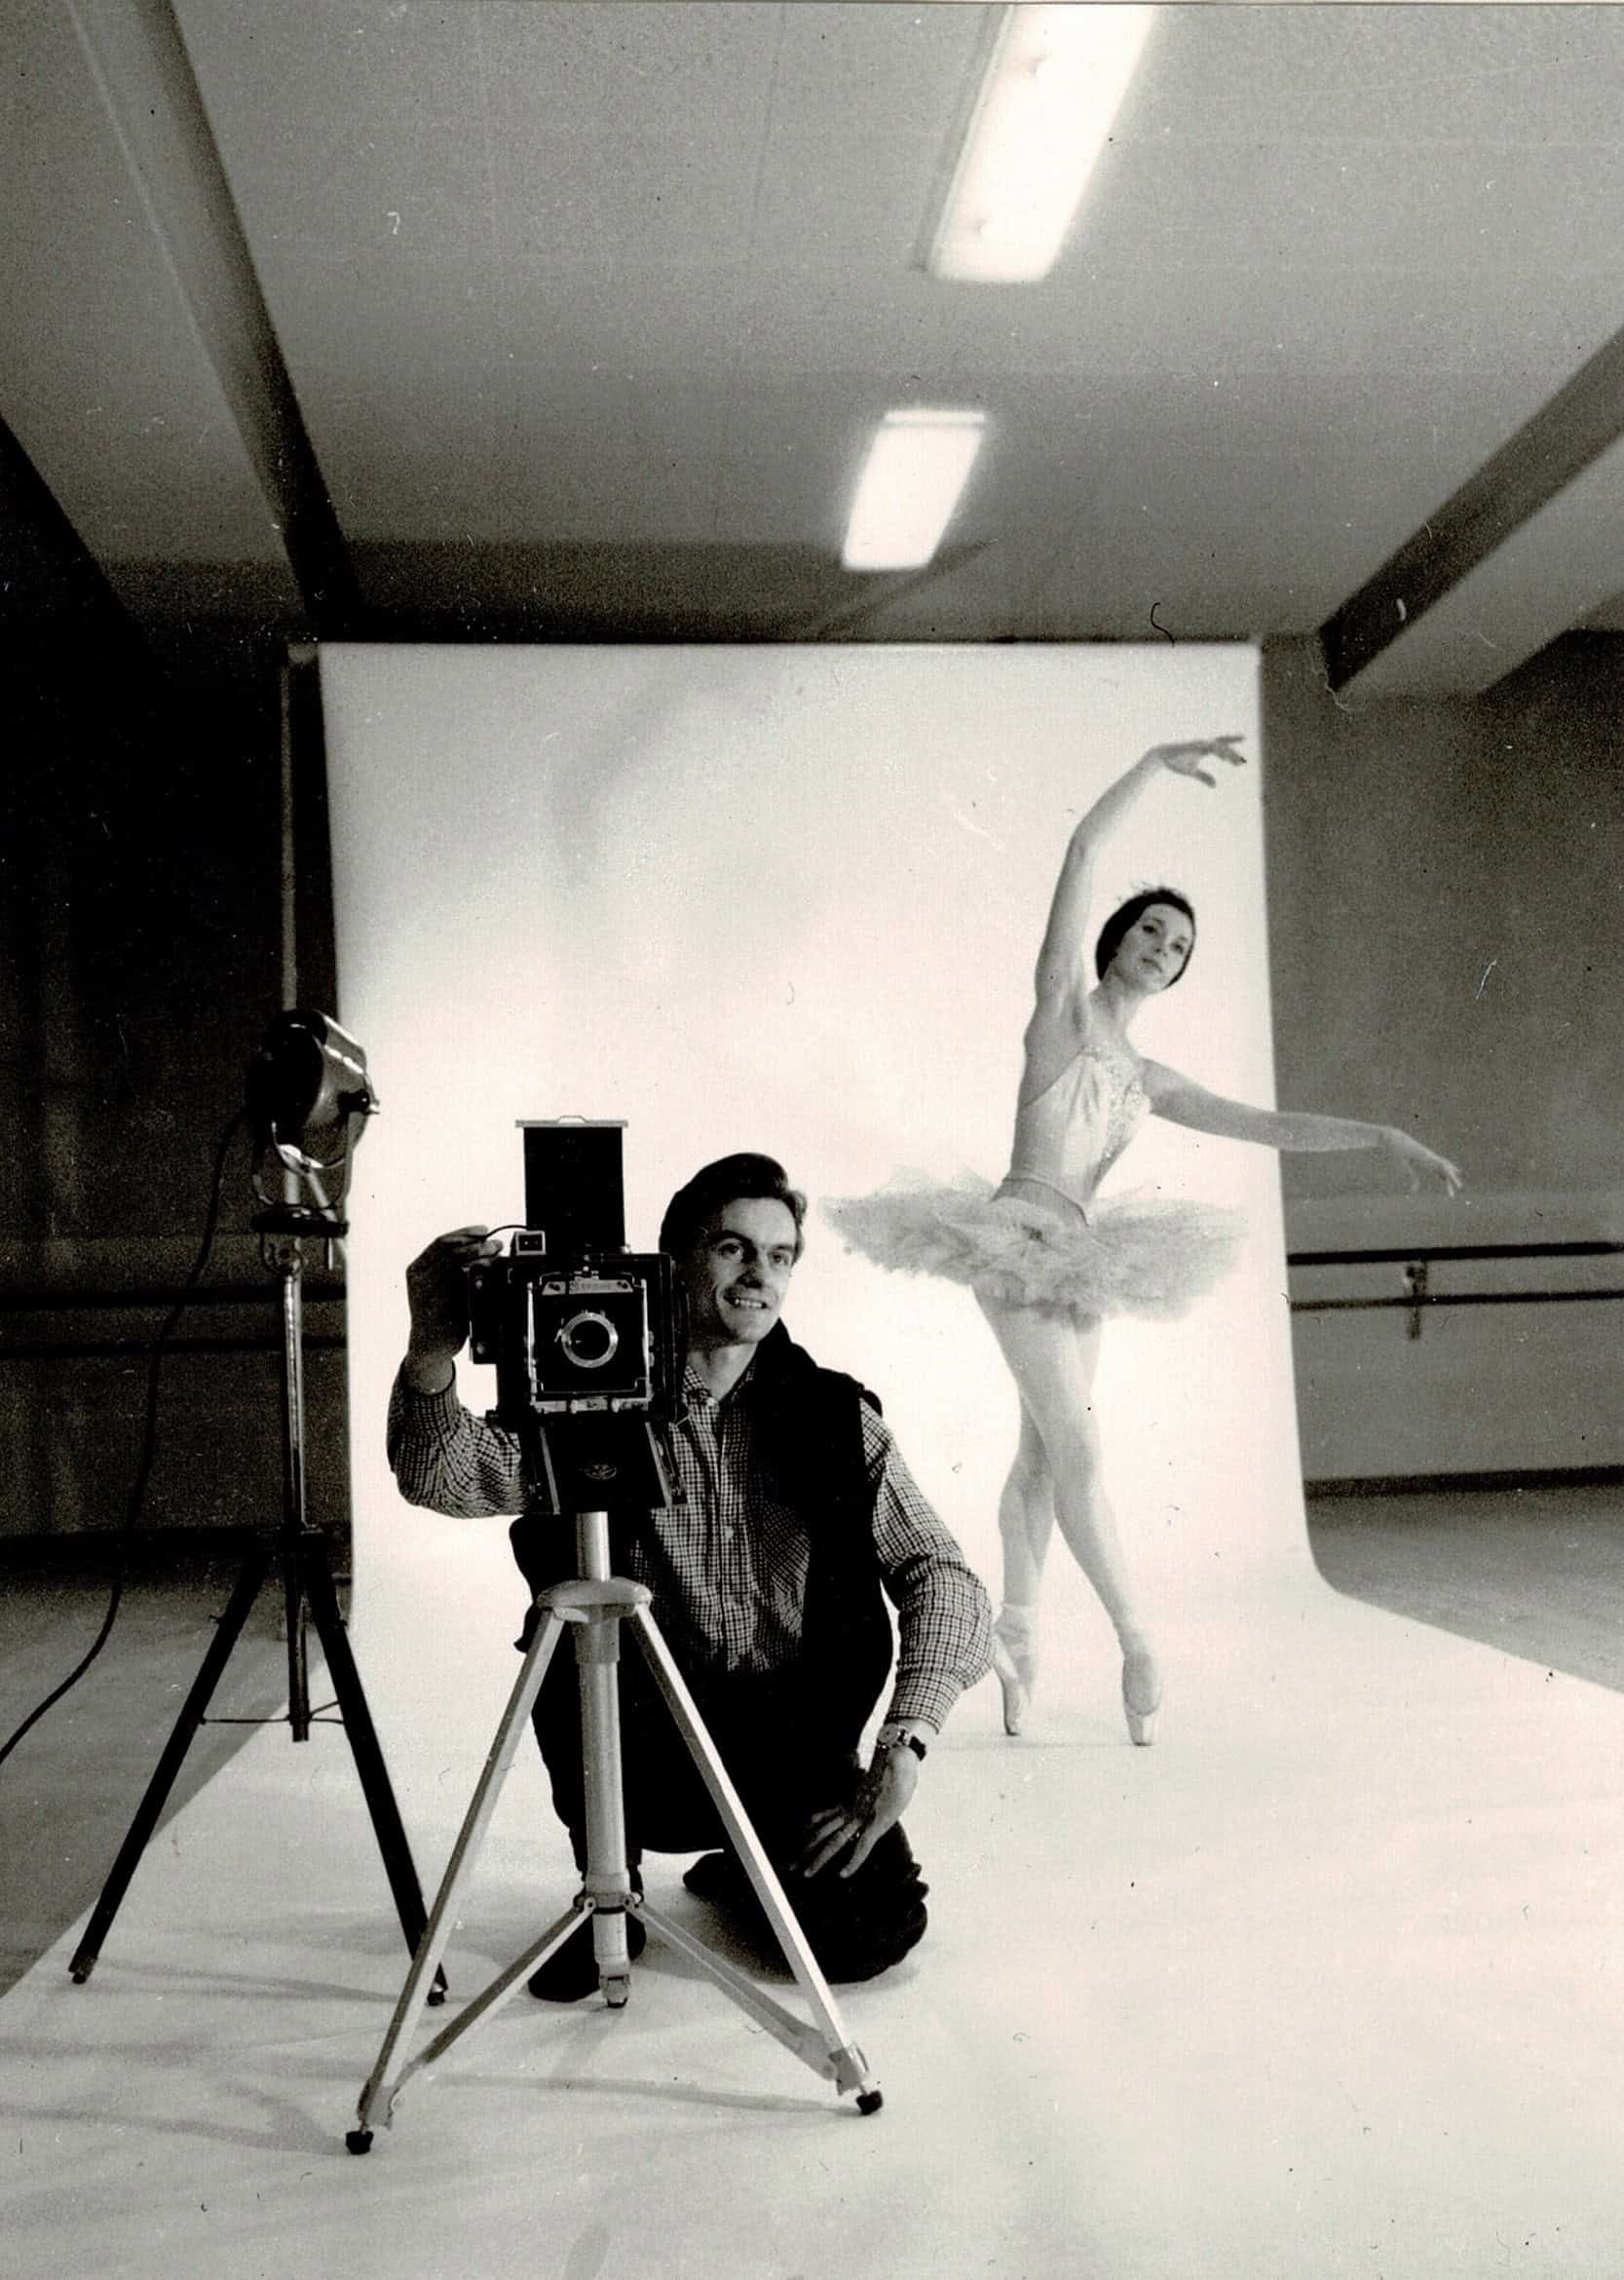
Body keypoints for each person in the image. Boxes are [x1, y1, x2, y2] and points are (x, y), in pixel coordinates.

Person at [824, 739, 1461, 1747]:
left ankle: (1016, 1644)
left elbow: (1265, 1125)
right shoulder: (1060, 1015)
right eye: (1151, 931)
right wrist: (1152, 766)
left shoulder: (1148, 1074)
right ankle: (1134, 1639)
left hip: (1081, 1256)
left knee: (1041, 1452)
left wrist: (1378, 1136)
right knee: (1079, 1444)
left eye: (1178, 946)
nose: (1162, 948)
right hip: (1016, 1231)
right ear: (1116, 940)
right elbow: (1080, 854)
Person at [388, 1151, 992, 1998]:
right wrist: (429, 1353)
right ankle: (611, 1892)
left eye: (779, 1257)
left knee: (866, 1940)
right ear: (669, 1264)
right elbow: (440, 1477)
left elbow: (941, 1572)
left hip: (792, 1739)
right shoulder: (588, 1396)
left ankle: (749, 1867)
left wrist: (906, 1740)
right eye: (732, 1249)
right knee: (570, 1636)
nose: (759, 1276)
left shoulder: (832, 1412)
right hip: (636, 1736)